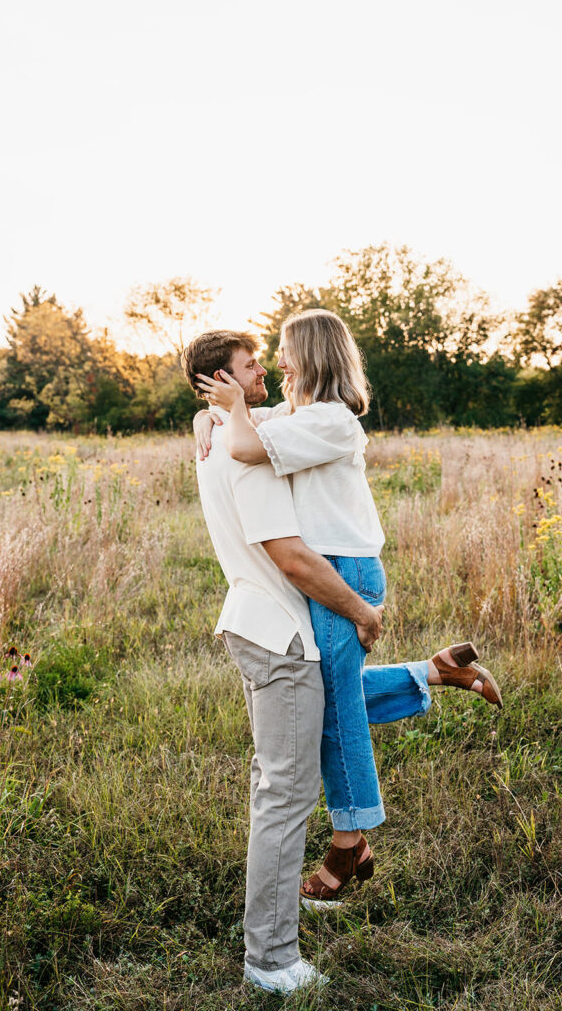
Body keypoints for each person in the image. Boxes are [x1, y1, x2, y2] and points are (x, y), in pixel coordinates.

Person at [194, 310, 503, 907]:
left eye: (284, 352)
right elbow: (241, 423)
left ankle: (348, 840)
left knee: (332, 702)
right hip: (327, 565)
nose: (277, 364)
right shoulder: (296, 415)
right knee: (324, 695)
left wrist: (225, 416)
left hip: (343, 570)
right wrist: (206, 412)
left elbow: (245, 442)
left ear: (311, 357)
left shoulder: (332, 422)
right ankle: (437, 672)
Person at [180, 329, 384, 995]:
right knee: (284, 795)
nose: (264, 368)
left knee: (291, 766)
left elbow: (243, 422)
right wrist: (358, 609)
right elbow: (292, 557)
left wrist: (209, 411)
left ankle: (433, 675)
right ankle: (270, 960)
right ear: (222, 383)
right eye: (249, 366)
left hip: (251, 621)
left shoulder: (224, 432)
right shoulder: (249, 455)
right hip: (281, 637)